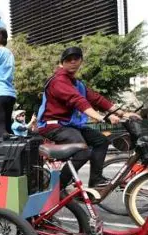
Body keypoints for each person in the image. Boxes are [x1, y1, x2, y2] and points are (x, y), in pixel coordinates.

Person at [37, 46, 141, 189]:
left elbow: (97, 99)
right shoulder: (58, 81)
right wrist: (101, 117)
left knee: (101, 141)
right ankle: (56, 189)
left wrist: (122, 113)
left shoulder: (77, 83)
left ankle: (95, 181)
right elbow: (77, 100)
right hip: (52, 125)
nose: (73, 62)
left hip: (68, 125)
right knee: (83, 150)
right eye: (68, 59)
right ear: (62, 63)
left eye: (76, 59)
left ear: (81, 61)